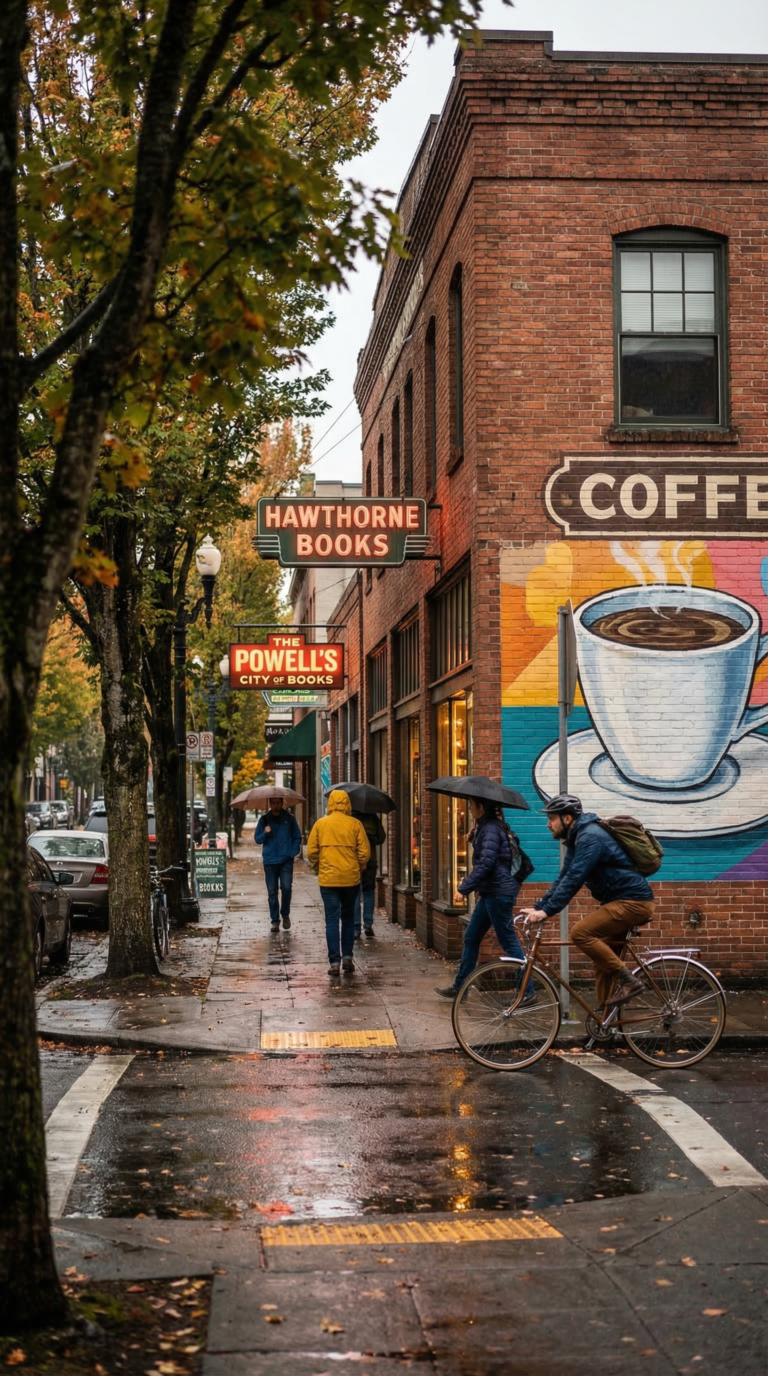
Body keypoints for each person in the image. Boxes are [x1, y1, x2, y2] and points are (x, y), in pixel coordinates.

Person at [517, 793, 654, 1012]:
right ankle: (605, 1022)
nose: (548, 824)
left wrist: (548, 911)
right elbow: (564, 876)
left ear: (567, 818)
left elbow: (575, 878)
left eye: (551, 818)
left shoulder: (590, 837)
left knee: (580, 933)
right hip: (619, 900)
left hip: (632, 901)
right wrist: (540, 906)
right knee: (603, 963)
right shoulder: (578, 838)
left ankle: (630, 981)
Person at [435, 798, 529, 999]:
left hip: (498, 893)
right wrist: (475, 838)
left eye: (471, 805)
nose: (469, 808)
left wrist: (464, 888)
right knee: (471, 936)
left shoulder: (490, 829)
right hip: (490, 893)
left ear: (481, 807)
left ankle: (526, 991)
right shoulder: (487, 827)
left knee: (509, 942)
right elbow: (492, 855)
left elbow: (486, 863)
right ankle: (460, 987)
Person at [307, 790, 370, 975]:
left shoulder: (320, 824)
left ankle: (334, 962)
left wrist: (318, 867)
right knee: (348, 918)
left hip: (328, 880)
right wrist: (358, 867)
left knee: (331, 920)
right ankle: (347, 958)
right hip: (350, 879)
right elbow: (364, 853)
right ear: (347, 804)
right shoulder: (355, 824)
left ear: (331, 804)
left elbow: (312, 852)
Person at [254, 796, 302, 931]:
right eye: (273, 803)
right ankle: (275, 921)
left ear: (282, 803)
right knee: (272, 892)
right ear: (270, 803)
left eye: (278, 803)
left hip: (286, 860)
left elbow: (297, 836)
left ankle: (285, 914)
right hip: (270, 861)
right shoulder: (264, 820)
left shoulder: (289, 819)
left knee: (286, 888)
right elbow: (257, 839)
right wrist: (265, 832)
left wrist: (292, 852)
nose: (275, 805)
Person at [352, 809, 386, 940]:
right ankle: (368, 925)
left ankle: (356, 928)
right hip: (370, 861)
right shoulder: (373, 817)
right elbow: (382, 837)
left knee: (355, 894)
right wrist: (371, 840)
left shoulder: (350, 819)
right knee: (368, 892)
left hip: (354, 861)